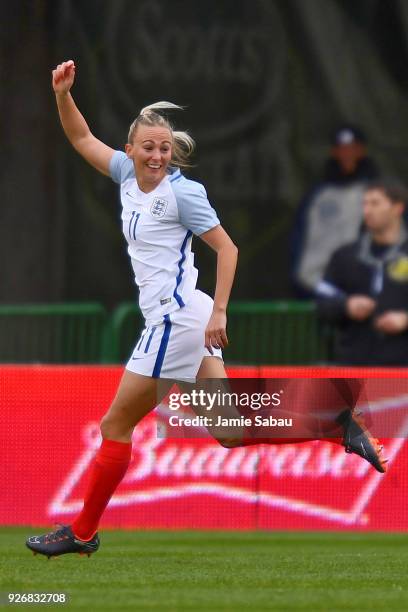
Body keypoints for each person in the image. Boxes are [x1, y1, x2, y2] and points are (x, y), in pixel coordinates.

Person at [26, 61, 387, 559]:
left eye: (164, 148)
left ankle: (83, 532)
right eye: (147, 146)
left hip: (178, 320)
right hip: (183, 317)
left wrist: (220, 312)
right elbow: (82, 137)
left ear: (174, 152)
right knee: (230, 431)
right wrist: (63, 94)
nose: (156, 155)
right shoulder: (126, 174)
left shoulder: (182, 192)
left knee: (115, 426)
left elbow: (228, 249)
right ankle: (335, 423)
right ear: (130, 148)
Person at [316, 179, 408, 365]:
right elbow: (322, 303)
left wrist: (405, 319)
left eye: (375, 203)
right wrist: (346, 306)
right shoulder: (345, 256)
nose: (367, 210)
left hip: (401, 371)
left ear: (397, 208)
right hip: (353, 369)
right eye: (364, 204)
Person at [291, 124, 380, 297]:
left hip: (359, 288)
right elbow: (298, 239)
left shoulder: (375, 192)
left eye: (353, 149)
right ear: (334, 152)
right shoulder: (316, 195)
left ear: (362, 151)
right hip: (313, 284)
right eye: (342, 149)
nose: (347, 154)